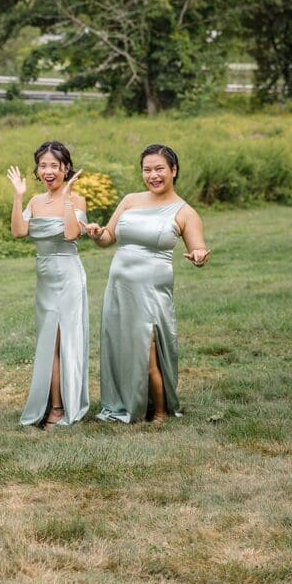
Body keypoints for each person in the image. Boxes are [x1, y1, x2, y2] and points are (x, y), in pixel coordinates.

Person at [86, 144, 210, 423]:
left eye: (159, 169)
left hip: (152, 288)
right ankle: (123, 401)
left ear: (173, 170)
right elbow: (108, 238)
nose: (153, 175)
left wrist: (199, 256)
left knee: (148, 346)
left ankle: (161, 411)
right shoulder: (130, 200)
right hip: (120, 286)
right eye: (147, 170)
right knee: (121, 343)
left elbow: (198, 248)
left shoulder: (185, 212)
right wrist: (96, 234)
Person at [7, 141, 90, 429]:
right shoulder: (35, 202)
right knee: (48, 342)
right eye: (43, 165)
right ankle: (53, 403)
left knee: (63, 339)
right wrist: (18, 197)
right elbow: (18, 231)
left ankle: (61, 406)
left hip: (68, 276)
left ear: (66, 168)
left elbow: (70, 234)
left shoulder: (77, 200)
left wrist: (66, 200)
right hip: (45, 278)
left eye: (54, 165)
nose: (48, 171)